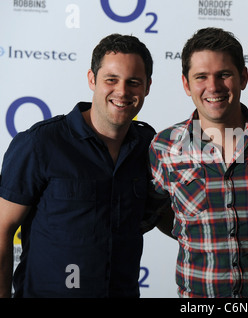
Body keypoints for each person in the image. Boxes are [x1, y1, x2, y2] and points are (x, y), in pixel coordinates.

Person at [150, 27, 248, 298]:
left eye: (224, 74)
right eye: (201, 77)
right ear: (186, 84)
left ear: (243, 77)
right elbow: (158, 214)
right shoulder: (165, 147)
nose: (213, 87)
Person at [0, 34, 160, 297]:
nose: (122, 91)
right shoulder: (41, 143)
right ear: (91, 79)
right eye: (111, 79)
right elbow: (2, 227)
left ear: (147, 86)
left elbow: (164, 214)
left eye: (133, 82)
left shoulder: (149, 148)